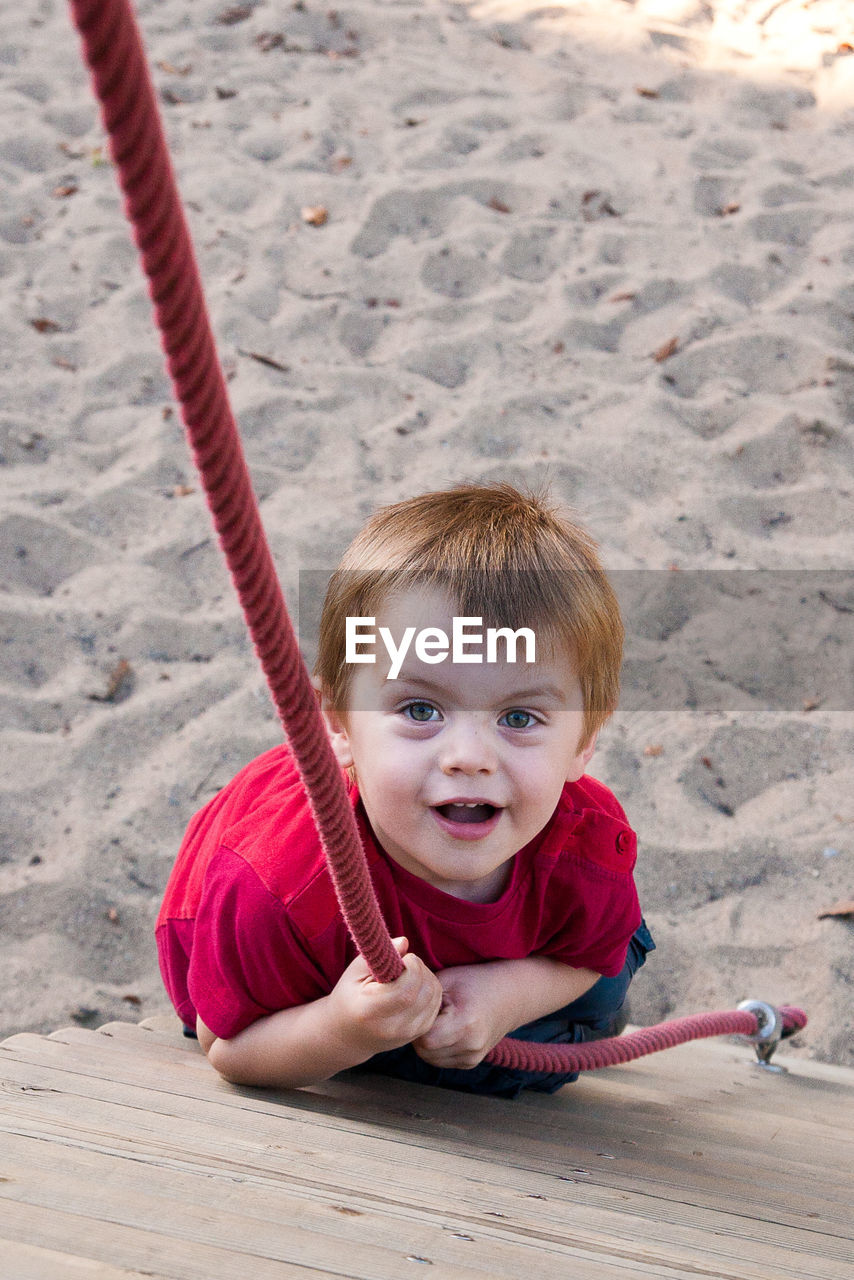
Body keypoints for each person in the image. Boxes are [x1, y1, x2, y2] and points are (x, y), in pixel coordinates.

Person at [156, 483, 654, 1098]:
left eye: (519, 718)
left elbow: (591, 952)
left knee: (612, 960)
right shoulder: (279, 878)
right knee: (420, 1063)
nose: (469, 758)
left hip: (469, 963)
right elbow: (226, 1045)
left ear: (584, 742)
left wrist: (506, 997)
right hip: (278, 994)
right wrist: (342, 1029)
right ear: (337, 724)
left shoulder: (584, 837)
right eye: (420, 709)